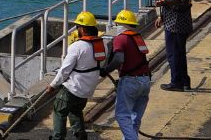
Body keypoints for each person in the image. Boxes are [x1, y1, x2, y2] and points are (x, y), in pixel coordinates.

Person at [47, 11, 106, 140]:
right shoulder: (102, 45)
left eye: (77, 27)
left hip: (73, 88)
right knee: (76, 110)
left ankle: (58, 137)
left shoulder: (77, 46)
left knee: (59, 108)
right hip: (87, 89)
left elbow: (64, 70)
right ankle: (81, 136)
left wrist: (52, 85)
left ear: (82, 29)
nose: (76, 29)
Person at [101, 8, 151, 140]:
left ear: (121, 24)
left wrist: (106, 70)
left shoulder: (120, 38)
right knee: (135, 117)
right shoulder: (137, 37)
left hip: (130, 81)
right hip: (145, 80)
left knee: (122, 116)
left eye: (117, 24)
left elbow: (119, 59)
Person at [158, 0, 195, 91]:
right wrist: (161, 16)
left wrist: (163, 3)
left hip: (176, 25)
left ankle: (176, 83)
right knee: (179, 54)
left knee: (173, 55)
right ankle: (184, 82)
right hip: (173, 22)